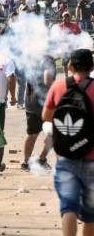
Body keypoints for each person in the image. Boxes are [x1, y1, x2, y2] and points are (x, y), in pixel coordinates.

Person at [42, 49, 94, 236]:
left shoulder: (58, 86)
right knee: (90, 215)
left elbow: (46, 116)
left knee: (68, 207)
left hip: (65, 157)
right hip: (92, 158)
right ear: (92, 67)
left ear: (70, 66)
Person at [22, 54, 55, 172]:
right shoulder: (48, 60)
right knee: (54, 132)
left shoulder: (33, 58)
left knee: (32, 133)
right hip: (44, 103)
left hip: (30, 101)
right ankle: (41, 160)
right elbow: (47, 80)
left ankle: (26, 162)